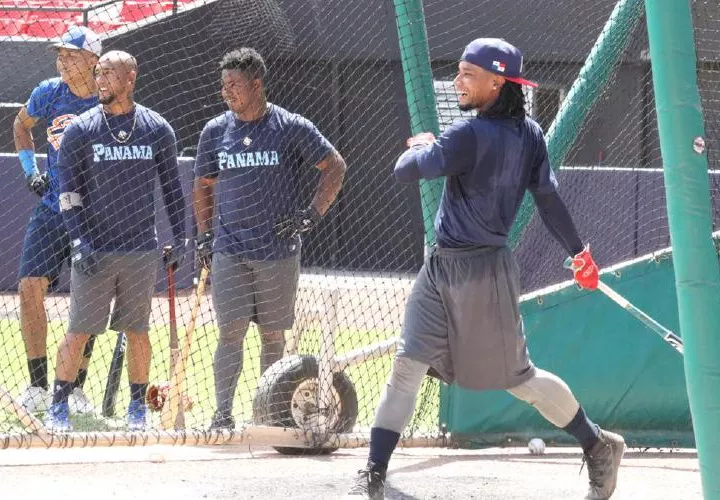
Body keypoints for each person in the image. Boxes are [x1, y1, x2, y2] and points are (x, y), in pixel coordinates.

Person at [345, 38, 625, 500]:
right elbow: (549, 200)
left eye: (467, 74)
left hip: (481, 274)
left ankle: (596, 444)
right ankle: (373, 472)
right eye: (458, 71)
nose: (458, 81)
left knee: (519, 379)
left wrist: (422, 144)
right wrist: (580, 252)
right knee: (408, 363)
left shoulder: (468, 135)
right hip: (442, 269)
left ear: (498, 82)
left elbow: (404, 171)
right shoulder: (530, 132)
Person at [193, 47, 347, 430]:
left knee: (272, 335)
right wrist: (204, 234)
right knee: (229, 331)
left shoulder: (290, 126)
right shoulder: (215, 131)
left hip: (277, 250)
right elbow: (203, 183)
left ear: (256, 84)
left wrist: (310, 216)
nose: (226, 92)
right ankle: (222, 415)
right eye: (223, 85)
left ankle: (271, 415)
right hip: (230, 248)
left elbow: (335, 166)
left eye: (234, 85)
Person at [44, 50, 187, 432]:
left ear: (130, 78)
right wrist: (77, 241)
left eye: (108, 73)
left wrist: (182, 238)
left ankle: (137, 409)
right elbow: (68, 194)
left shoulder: (157, 128)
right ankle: (58, 405)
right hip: (94, 248)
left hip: (140, 249)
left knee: (137, 331)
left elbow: (173, 190)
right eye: (98, 72)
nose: (101, 79)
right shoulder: (80, 129)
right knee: (78, 330)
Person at [13, 26, 103, 414]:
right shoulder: (48, 92)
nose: (61, 62)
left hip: (96, 215)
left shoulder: (108, 98)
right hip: (51, 209)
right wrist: (29, 168)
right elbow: (21, 125)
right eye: (60, 55)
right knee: (30, 287)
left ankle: (75, 388)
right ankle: (36, 385)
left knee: (90, 299)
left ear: (92, 61)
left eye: (70, 55)